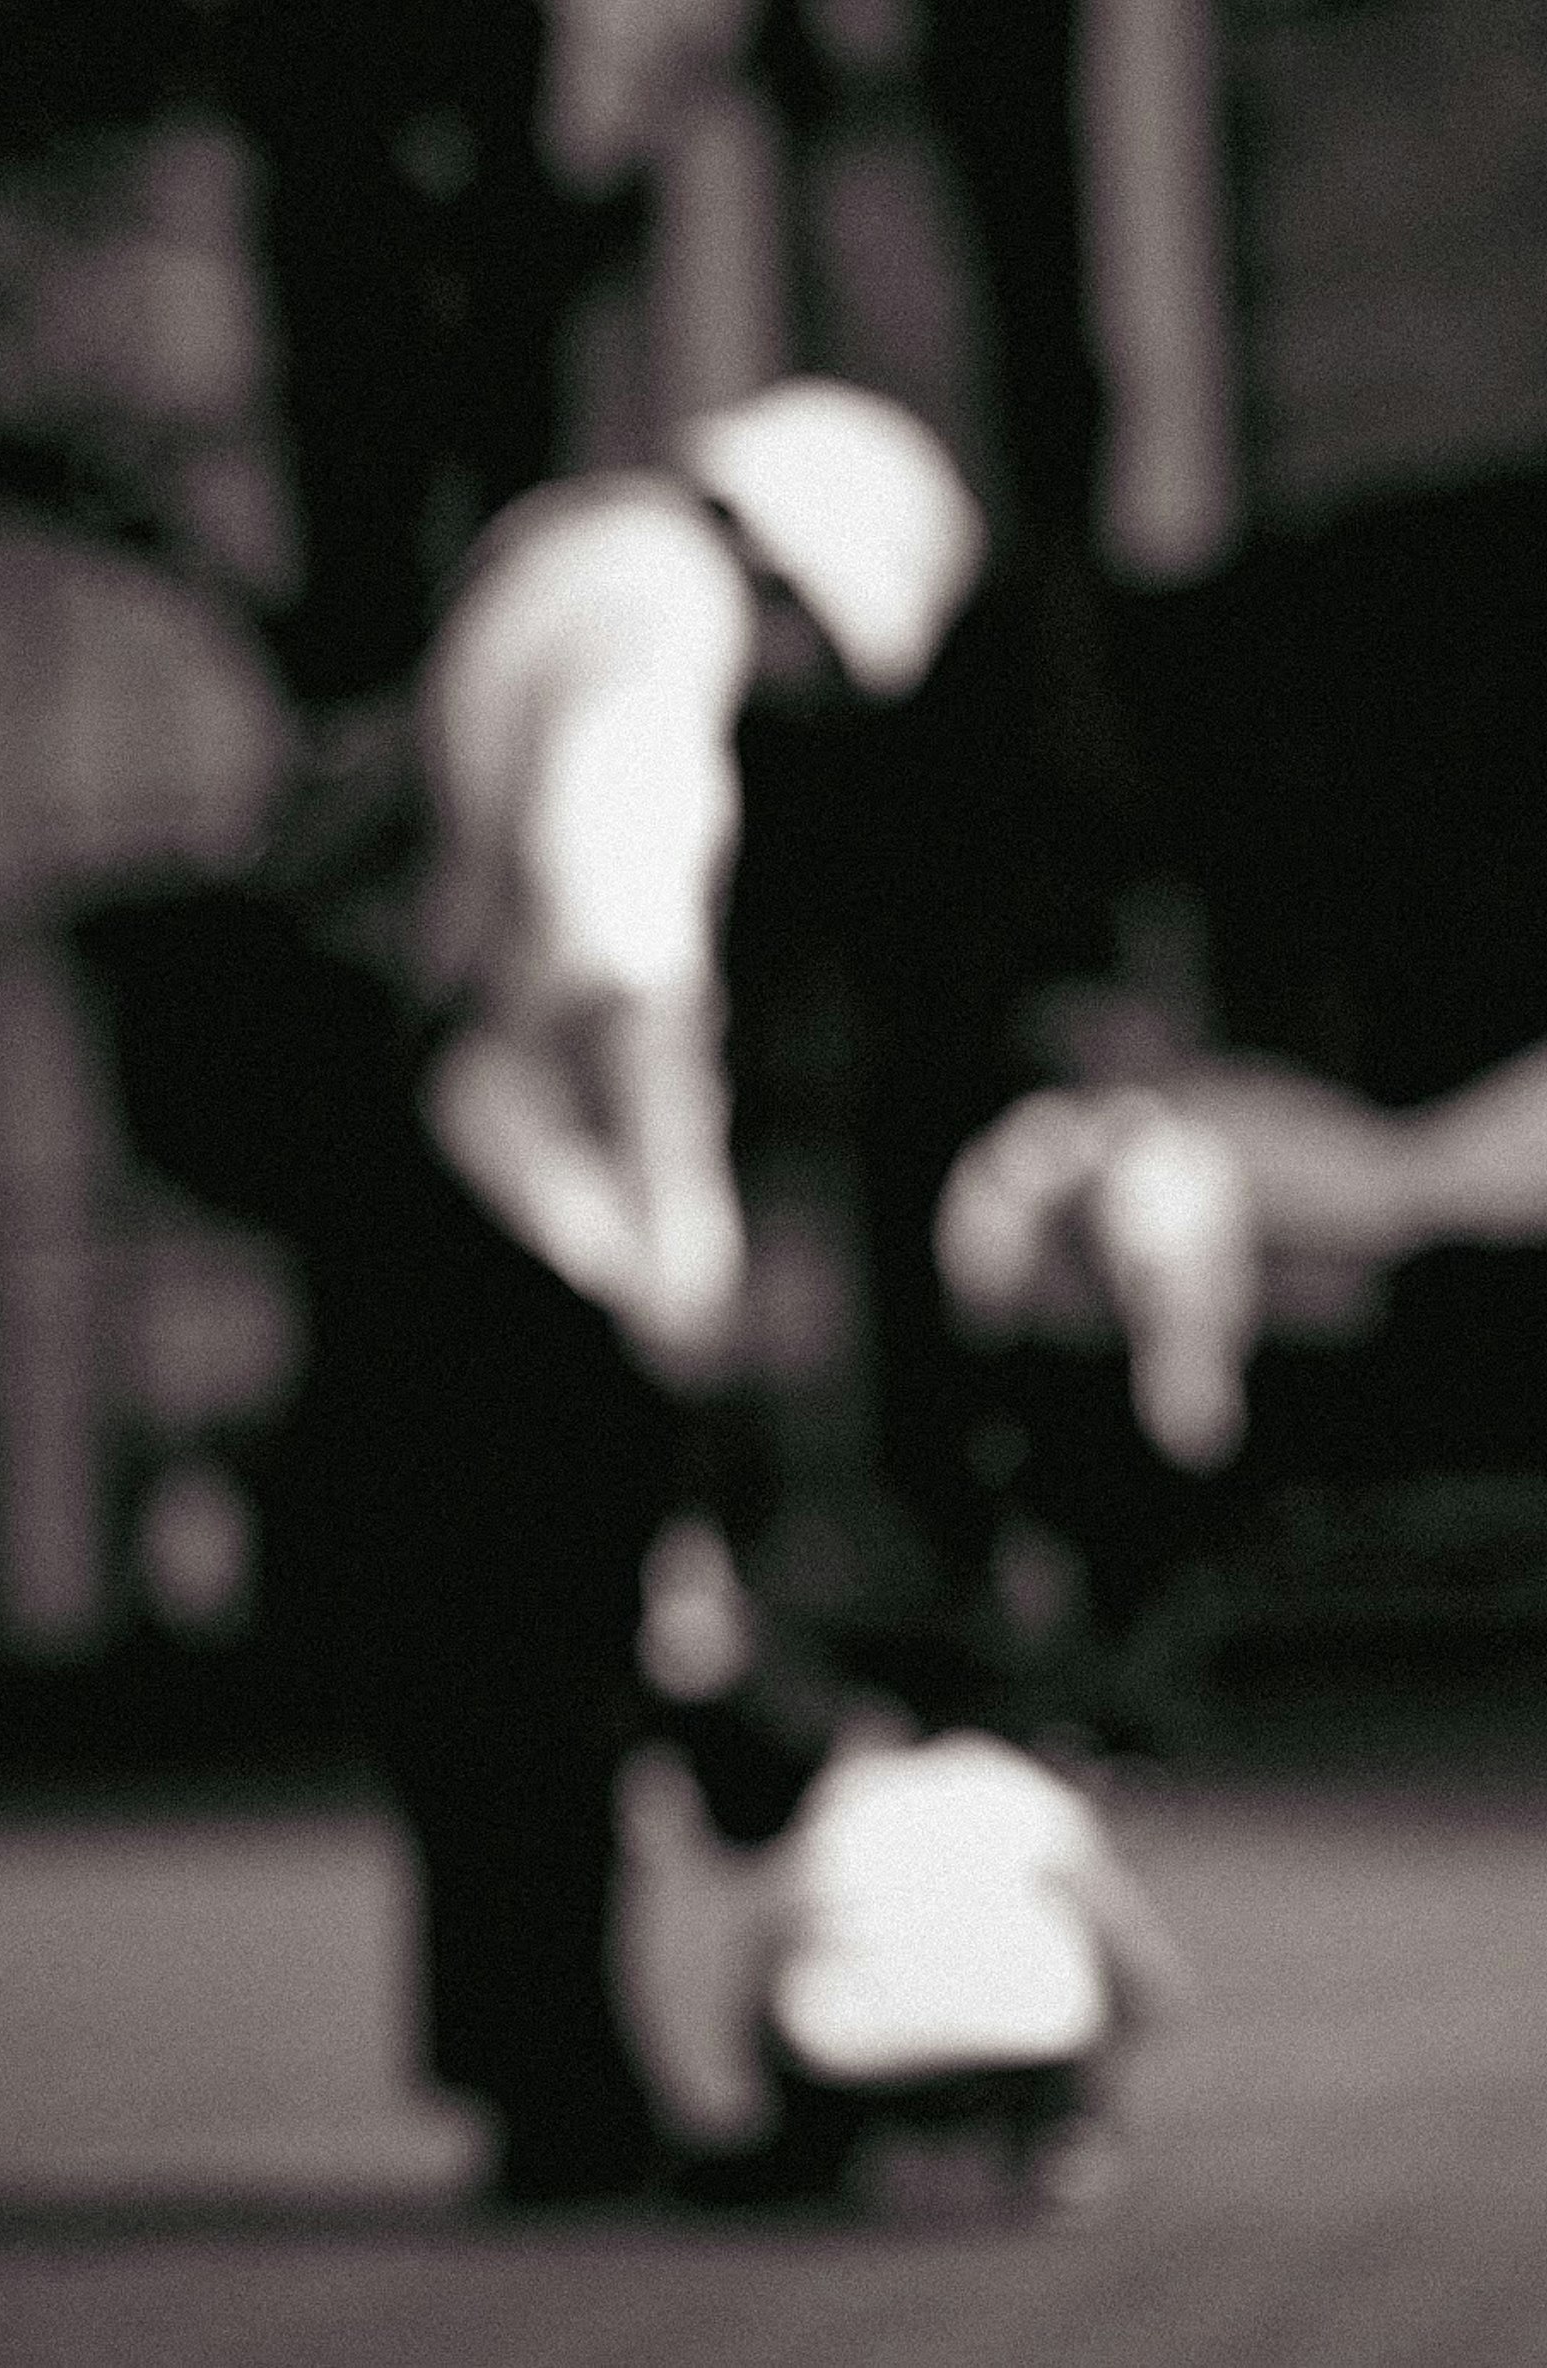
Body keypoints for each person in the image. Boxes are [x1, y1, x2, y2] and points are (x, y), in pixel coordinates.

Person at [88, 375, 984, 2208]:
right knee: (563, 1656)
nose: (802, 704)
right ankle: (589, 2093)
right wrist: (674, 1215)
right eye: (820, 663)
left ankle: (543, 2075)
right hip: (521, 1205)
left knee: (491, 1662)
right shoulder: (662, 601)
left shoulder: (551, 562)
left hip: (432, 1179)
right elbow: (616, 910)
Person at [697, 1625, 1190, 2218]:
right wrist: (1110, 2073)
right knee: (1096, 1986)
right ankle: (1062, 2141)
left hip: (852, 2067)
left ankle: (814, 2157)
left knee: (782, 1975)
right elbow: (1142, 1963)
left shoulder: (844, 1793)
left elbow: (764, 1946)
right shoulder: (1030, 1793)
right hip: (1026, 2059)